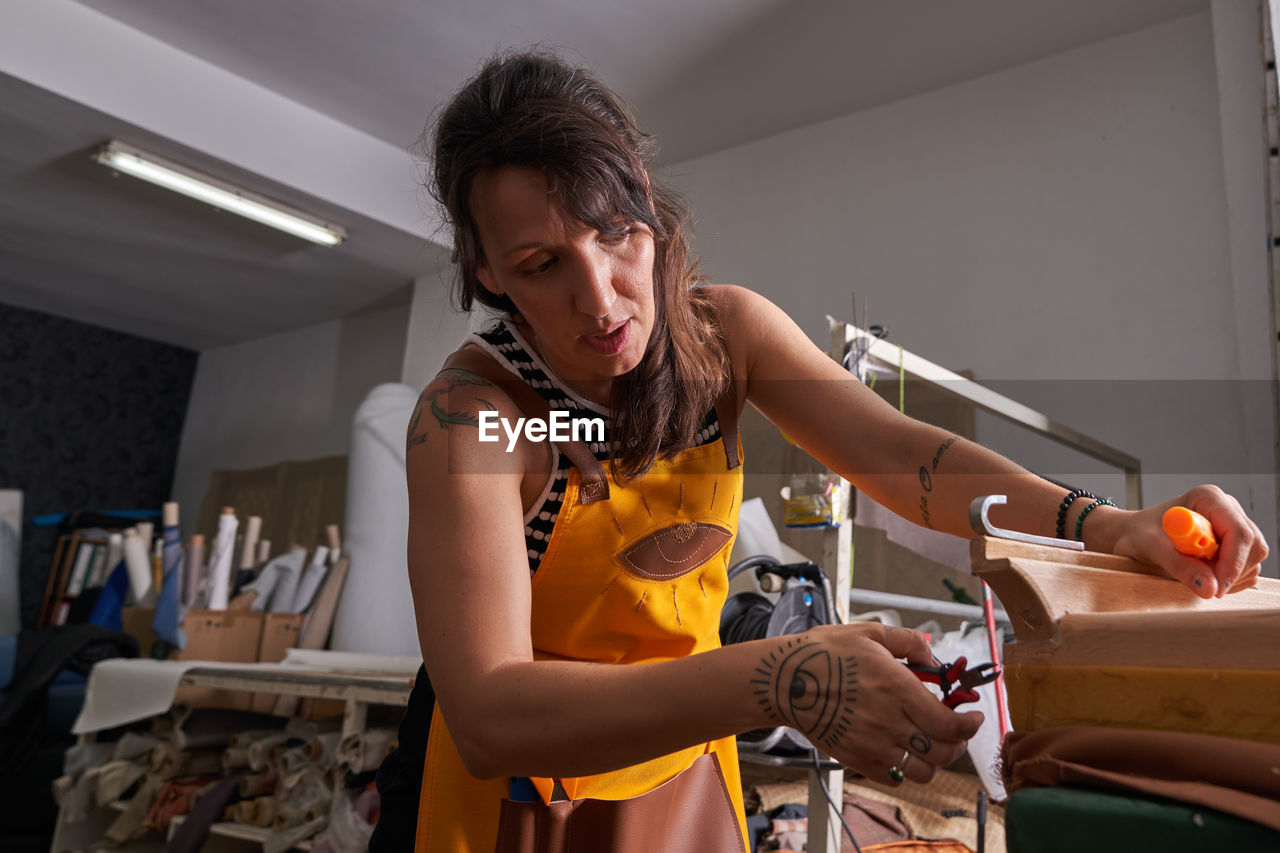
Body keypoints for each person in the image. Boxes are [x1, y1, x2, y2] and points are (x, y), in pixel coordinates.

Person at [371, 49, 1270, 852]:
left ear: (646, 194)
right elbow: (491, 712)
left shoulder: (726, 339)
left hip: (683, 767)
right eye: (541, 265)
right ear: (485, 269)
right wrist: (782, 677)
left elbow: (901, 456)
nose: (601, 301)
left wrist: (1105, 525)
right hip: (520, 805)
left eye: (616, 233)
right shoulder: (476, 417)